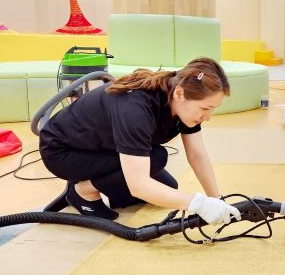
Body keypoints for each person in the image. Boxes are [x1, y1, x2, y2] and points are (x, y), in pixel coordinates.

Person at [39, 57, 241, 225]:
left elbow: (197, 155)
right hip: (63, 152)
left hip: (100, 146)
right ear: (180, 93)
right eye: (205, 108)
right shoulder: (135, 109)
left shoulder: (180, 101)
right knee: (156, 159)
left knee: (167, 185)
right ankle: (82, 191)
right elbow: (139, 185)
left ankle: (96, 182)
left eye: (213, 109)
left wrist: (217, 200)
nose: (209, 116)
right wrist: (199, 204)